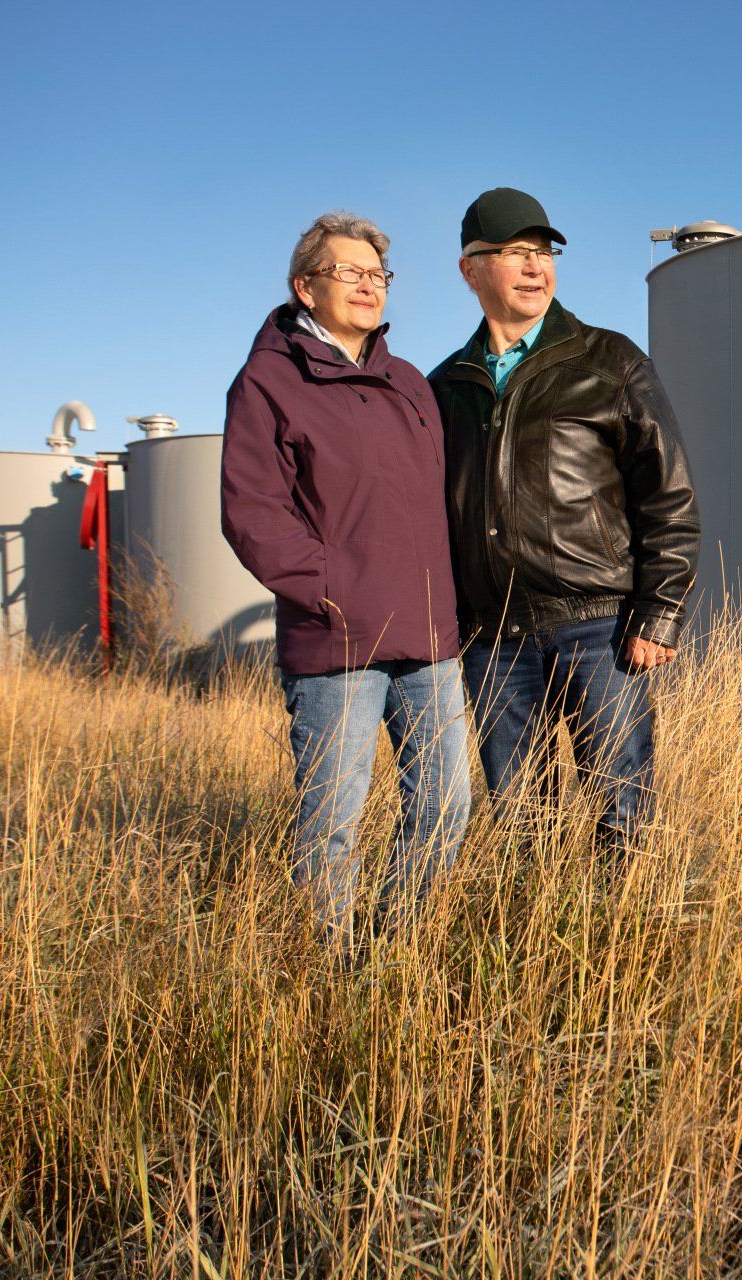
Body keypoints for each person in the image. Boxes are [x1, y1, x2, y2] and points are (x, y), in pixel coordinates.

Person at [220, 211, 471, 943]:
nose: (368, 286)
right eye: (348, 273)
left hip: (429, 636)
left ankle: (391, 946)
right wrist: (328, 589)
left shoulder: (408, 383)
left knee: (447, 804)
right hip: (337, 641)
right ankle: (330, 974)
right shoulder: (269, 381)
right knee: (333, 821)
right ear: (305, 287)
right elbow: (252, 510)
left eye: (377, 275)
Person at [429, 187, 699, 850]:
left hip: (599, 628)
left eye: (544, 252)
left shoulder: (608, 361)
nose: (535, 267)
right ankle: (534, 943)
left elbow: (668, 494)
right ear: (470, 269)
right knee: (521, 819)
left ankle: (619, 947)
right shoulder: (443, 387)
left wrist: (658, 612)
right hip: (492, 640)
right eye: (516, 253)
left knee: (621, 808)